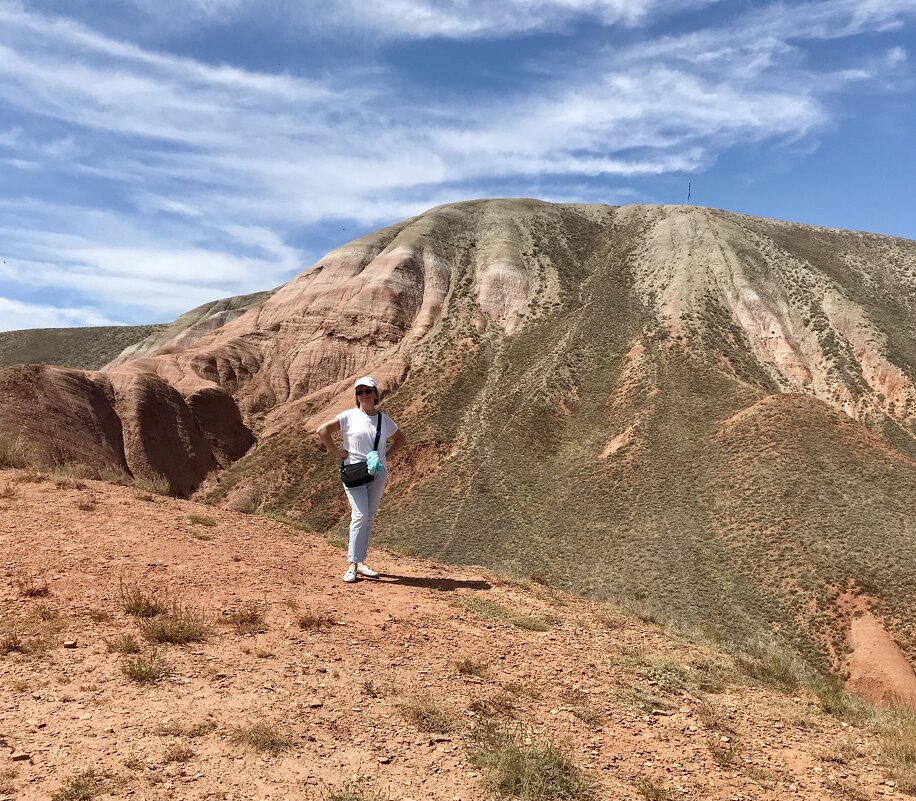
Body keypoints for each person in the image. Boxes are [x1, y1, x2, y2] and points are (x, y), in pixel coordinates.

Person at [316, 376, 406, 583]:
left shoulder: (384, 420)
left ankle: (361, 561)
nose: (363, 395)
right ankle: (352, 564)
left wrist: (386, 457)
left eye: (367, 391)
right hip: (354, 472)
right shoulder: (349, 416)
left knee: (369, 516)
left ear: (375, 394)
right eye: (360, 392)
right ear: (356, 396)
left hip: (377, 473)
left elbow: (401, 438)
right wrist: (337, 452)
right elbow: (322, 431)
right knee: (360, 514)